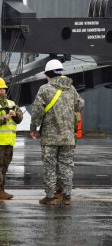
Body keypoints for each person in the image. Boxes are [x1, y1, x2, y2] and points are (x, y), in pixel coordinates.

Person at [30, 59, 84, 205]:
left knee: (50, 166)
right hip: (67, 136)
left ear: (48, 74)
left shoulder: (45, 89)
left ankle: (50, 197)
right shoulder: (71, 88)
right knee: (66, 165)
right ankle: (66, 197)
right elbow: (80, 104)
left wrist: (33, 129)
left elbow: (37, 111)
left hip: (50, 137)